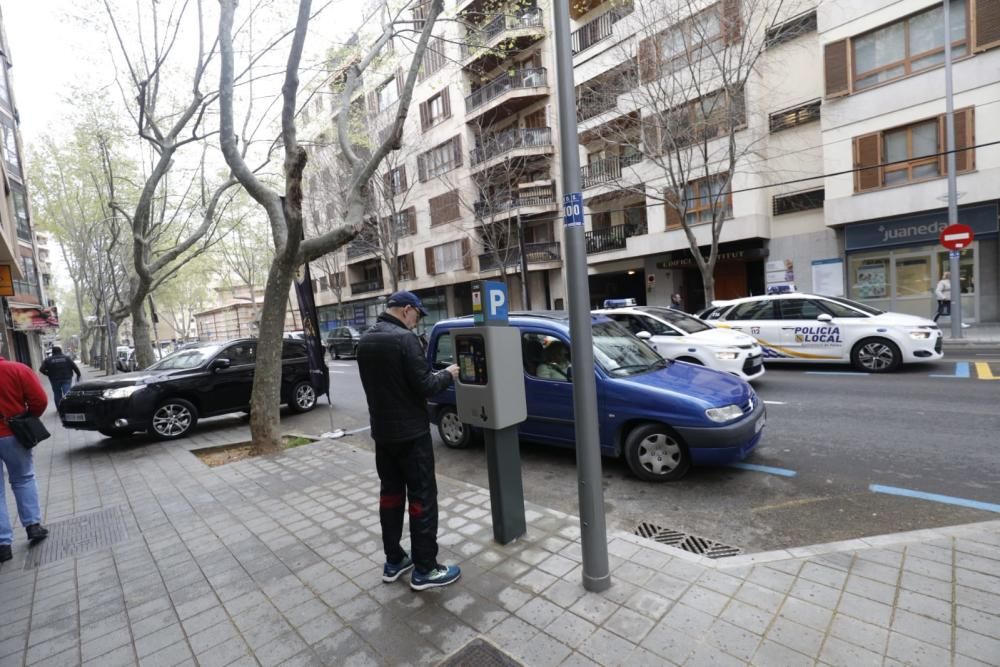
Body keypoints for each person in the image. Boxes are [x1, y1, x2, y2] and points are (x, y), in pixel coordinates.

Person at [357, 291, 462, 591]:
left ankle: (394, 560)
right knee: (422, 499)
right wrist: (448, 373)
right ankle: (426, 569)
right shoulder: (405, 341)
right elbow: (426, 386)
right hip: (412, 437)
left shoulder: (366, 340)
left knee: (390, 497)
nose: (417, 322)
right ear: (406, 310)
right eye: (417, 315)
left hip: (383, 435)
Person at [0, 349, 50, 563]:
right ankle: (33, 526)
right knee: (23, 479)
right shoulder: (17, 369)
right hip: (14, 435)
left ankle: (2, 545)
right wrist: (26, 418)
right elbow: (39, 400)